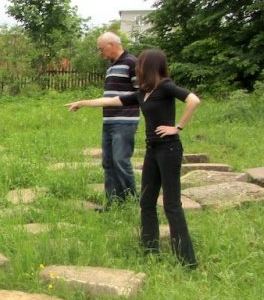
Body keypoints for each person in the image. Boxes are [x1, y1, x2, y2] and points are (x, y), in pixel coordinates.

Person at [66, 49, 200, 268]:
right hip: (152, 150)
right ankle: (150, 251)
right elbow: (112, 101)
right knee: (146, 201)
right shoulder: (143, 92)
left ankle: (187, 260)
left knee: (171, 205)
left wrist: (178, 127)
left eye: (140, 66)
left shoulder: (165, 86)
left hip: (169, 151)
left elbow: (193, 100)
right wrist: (82, 102)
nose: (136, 68)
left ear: (149, 67)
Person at [96, 32, 139, 207]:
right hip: (109, 121)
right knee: (108, 162)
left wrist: (120, 103)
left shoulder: (132, 63)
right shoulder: (111, 66)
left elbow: (141, 92)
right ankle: (113, 201)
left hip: (125, 120)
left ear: (111, 45)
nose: (100, 53)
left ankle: (132, 201)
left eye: (101, 49)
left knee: (121, 160)